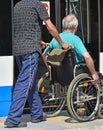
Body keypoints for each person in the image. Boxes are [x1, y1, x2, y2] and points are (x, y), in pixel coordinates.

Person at [4, 0, 69, 128]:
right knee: (24, 82)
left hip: (18, 50)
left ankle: (37, 113)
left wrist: (38, 40)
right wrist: (62, 43)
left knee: (30, 82)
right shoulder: (37, 5)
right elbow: (50, 27)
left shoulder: (17, 6)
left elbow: (23, 28)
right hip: (30, 50)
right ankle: (13, 118)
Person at [42, 14, 98, 84]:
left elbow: (44, 55)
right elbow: (87, 57)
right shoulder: (76, 39)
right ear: (75, 27)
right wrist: (94, 73)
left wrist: (50, 69)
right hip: (75, 73)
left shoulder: (55, 39)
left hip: (58, 75)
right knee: (96, 74)